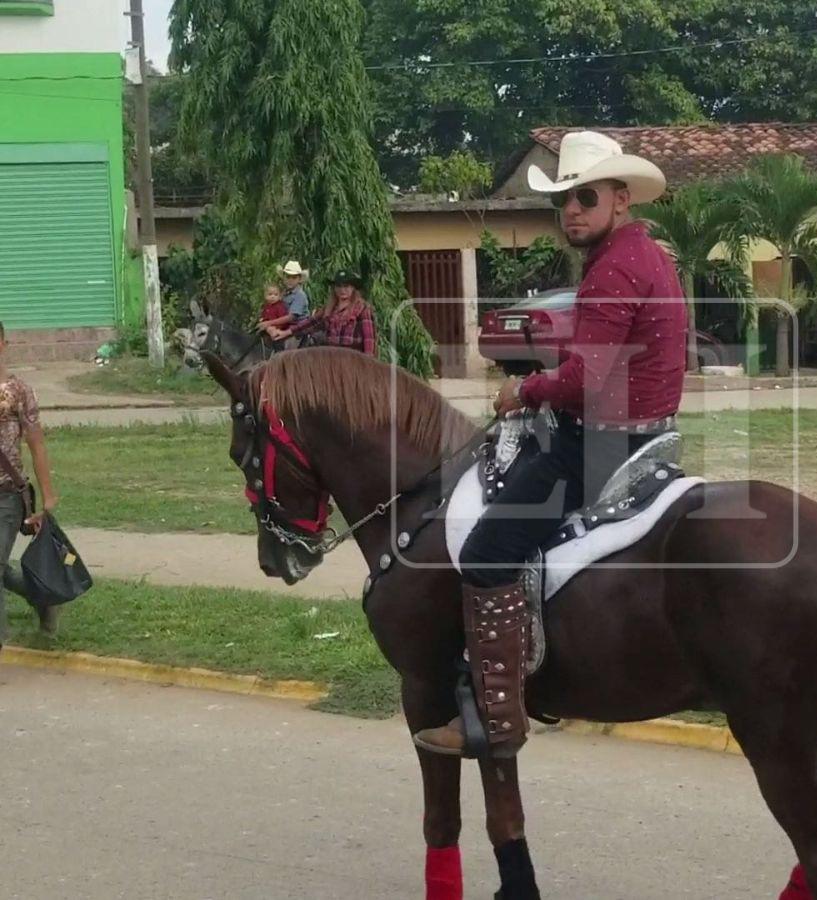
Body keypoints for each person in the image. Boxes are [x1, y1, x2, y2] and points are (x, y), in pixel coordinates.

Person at [413, 130, 685, 758]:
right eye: (563, 200)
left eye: (584, 198)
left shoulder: (614, 266)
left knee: (486, 550)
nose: (571, 212)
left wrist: (525, 391)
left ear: (620, 198)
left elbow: (587, 377)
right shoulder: (646, 253)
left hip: (599, 446)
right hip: (647, 434)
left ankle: (494, 718)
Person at [0, 322, 60, 654]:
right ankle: (43, 598)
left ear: (3, 343)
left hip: (7, 495)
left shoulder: (19, 391)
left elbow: (36, 445)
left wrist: (47, 495)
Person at [279, 270, 376, 355]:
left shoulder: (362, 309)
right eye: (339, 286)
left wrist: (368, 363)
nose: (342, 290)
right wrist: (287, 332)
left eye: (346, 286)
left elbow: (369, 339)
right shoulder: (330, 309)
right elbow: (311, 323)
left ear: (353, 288)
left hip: (353, 359)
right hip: (332, 358)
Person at [255, 284, 291, 349]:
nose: (272, 297)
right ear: (265, 296)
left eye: (275, 295)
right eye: (270, 294)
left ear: (280, 296)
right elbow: (264, 316)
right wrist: (262, 320)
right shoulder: (266, 307)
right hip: (267, 327)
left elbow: (283, 320)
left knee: (277, 340)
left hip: (278, 328)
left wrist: (276, 327)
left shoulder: (280, 307)